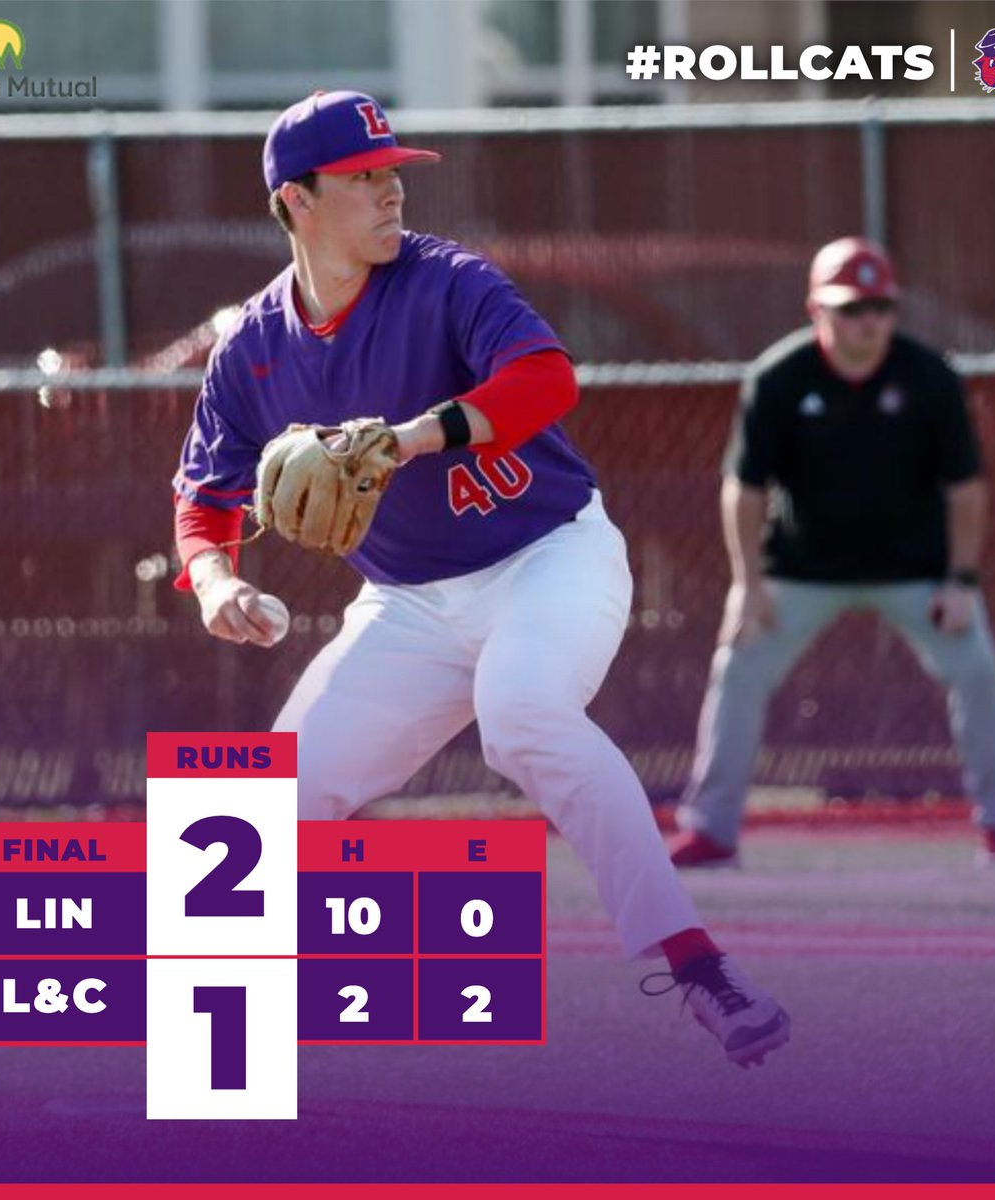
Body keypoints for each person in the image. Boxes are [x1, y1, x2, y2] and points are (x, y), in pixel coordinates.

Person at [172, 90, 789, 1066]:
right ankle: (207, 1039)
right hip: (409, 606)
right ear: (295, 200)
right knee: (269, 795)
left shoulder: (445, 281)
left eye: (392, 172)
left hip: (549, 560)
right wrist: (215, 583)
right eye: (363, 177)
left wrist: (414, 435)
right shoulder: (251, 348)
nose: (389, 192)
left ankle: (700, 967)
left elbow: (549, 379)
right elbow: (205, 498)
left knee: (523, 715)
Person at [671, 236, 995, 870]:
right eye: (850, 308)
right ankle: (711, 831)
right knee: (737, 667)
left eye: (879, 307)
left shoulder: (929, 378)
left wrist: (960, 580)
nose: (866, 321)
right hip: (799, 570)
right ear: (816, 310)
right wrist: (749, 584)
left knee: (980, 670)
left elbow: (965, 488)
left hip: (917, 571)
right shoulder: (779, 377)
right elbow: (744, 488)